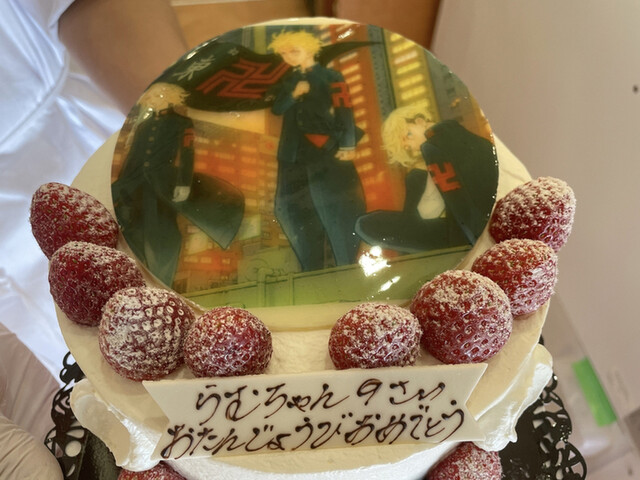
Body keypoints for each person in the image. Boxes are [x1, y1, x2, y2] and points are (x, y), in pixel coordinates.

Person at [268, 30, 366, 272]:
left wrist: (347, 144)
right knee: (291, 209)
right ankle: (310, 270)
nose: (289, 57)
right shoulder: (289, 80)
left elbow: (344, 109)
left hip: (325, 149)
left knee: (336, 206)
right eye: (283, 53)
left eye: (294, 51)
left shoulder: (331, 76)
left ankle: (345, 266)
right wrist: (293, 94)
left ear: (310, 49)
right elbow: (277, 108)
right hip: (292, 154)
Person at [355, 104, 498, 253]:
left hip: (467, 235)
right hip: (479, 229)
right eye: (407, 148)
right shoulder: (475, 142)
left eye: (408, 135)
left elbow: (429, 212)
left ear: (420, 121)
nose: (412, 147)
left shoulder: (434, 148)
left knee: (366, 224)